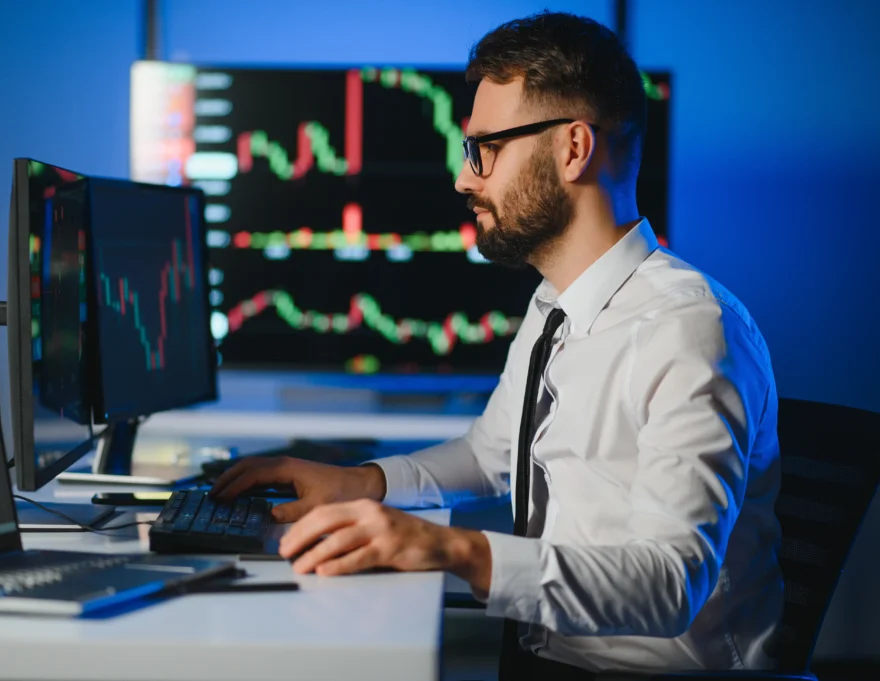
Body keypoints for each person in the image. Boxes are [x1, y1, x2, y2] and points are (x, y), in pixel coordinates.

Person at [210, 10, 783, 678]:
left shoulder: (690, 328)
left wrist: (454, 548)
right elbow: (490, 456)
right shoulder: (554, 303)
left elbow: (669, 584)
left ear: (573, 148)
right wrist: (356, 483)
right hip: (545, 654)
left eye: (487, 147)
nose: (465, 178)